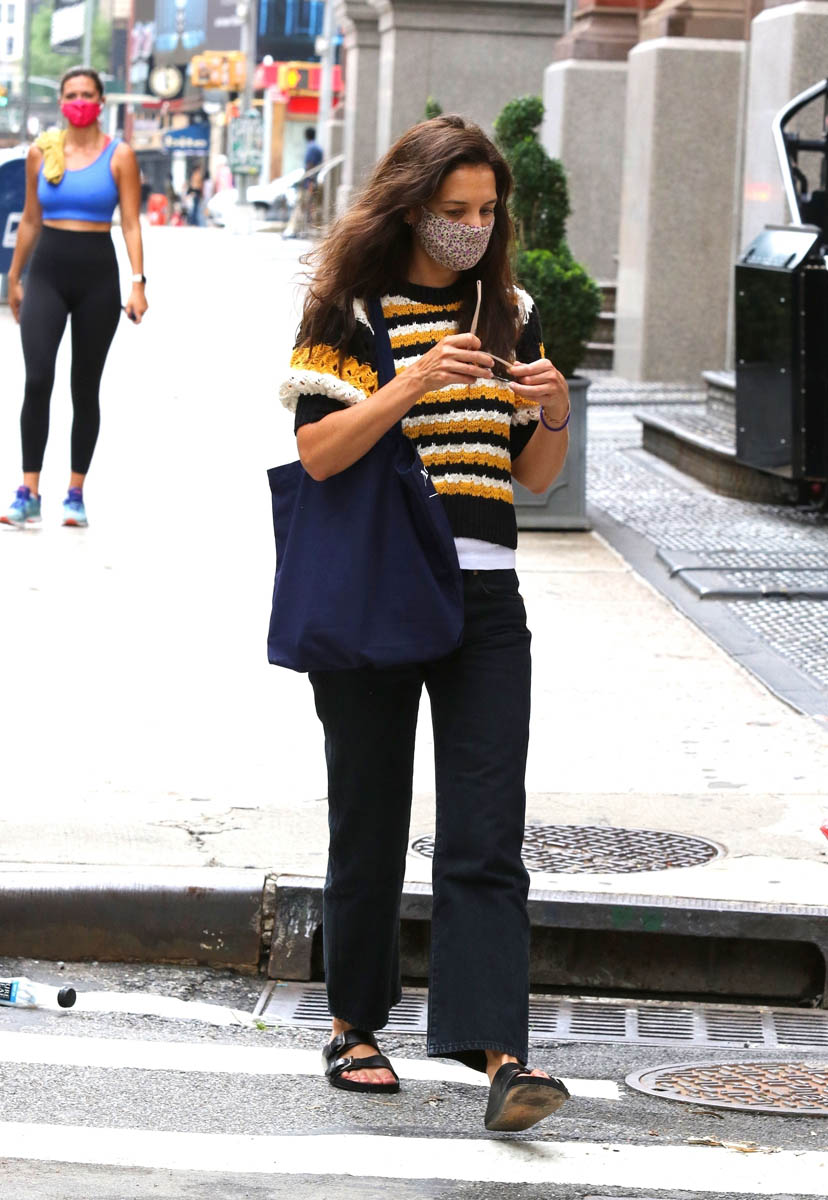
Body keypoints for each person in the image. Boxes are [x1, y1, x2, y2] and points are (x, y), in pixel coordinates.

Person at [279, 115, 572, 1132]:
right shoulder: (349, 308)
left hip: (487, 597)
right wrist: (410, 380)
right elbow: (318, 451)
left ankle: (501, 1054)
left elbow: (534, 478)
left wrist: (553, 409)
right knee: (369, 814)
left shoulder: (511, 311)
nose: (473, 228)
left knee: (487, 830)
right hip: (381, 585)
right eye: (455, 210)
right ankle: (355, 1024)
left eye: (487, 211)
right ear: (410, 207)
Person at [1, 66, 147, 529]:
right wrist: (14, 277)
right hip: (46, 272)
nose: (78, 101)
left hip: (97, 278)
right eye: (71, 94)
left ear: (100, 101)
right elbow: (29, 219)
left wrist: (138, 282)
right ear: (61, 101)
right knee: (37, 378)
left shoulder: (120, 155)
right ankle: (28, 491)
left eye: (87, 94)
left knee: (84, 386)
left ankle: (75, 494)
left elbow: (130, 223)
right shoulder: (41, 152)